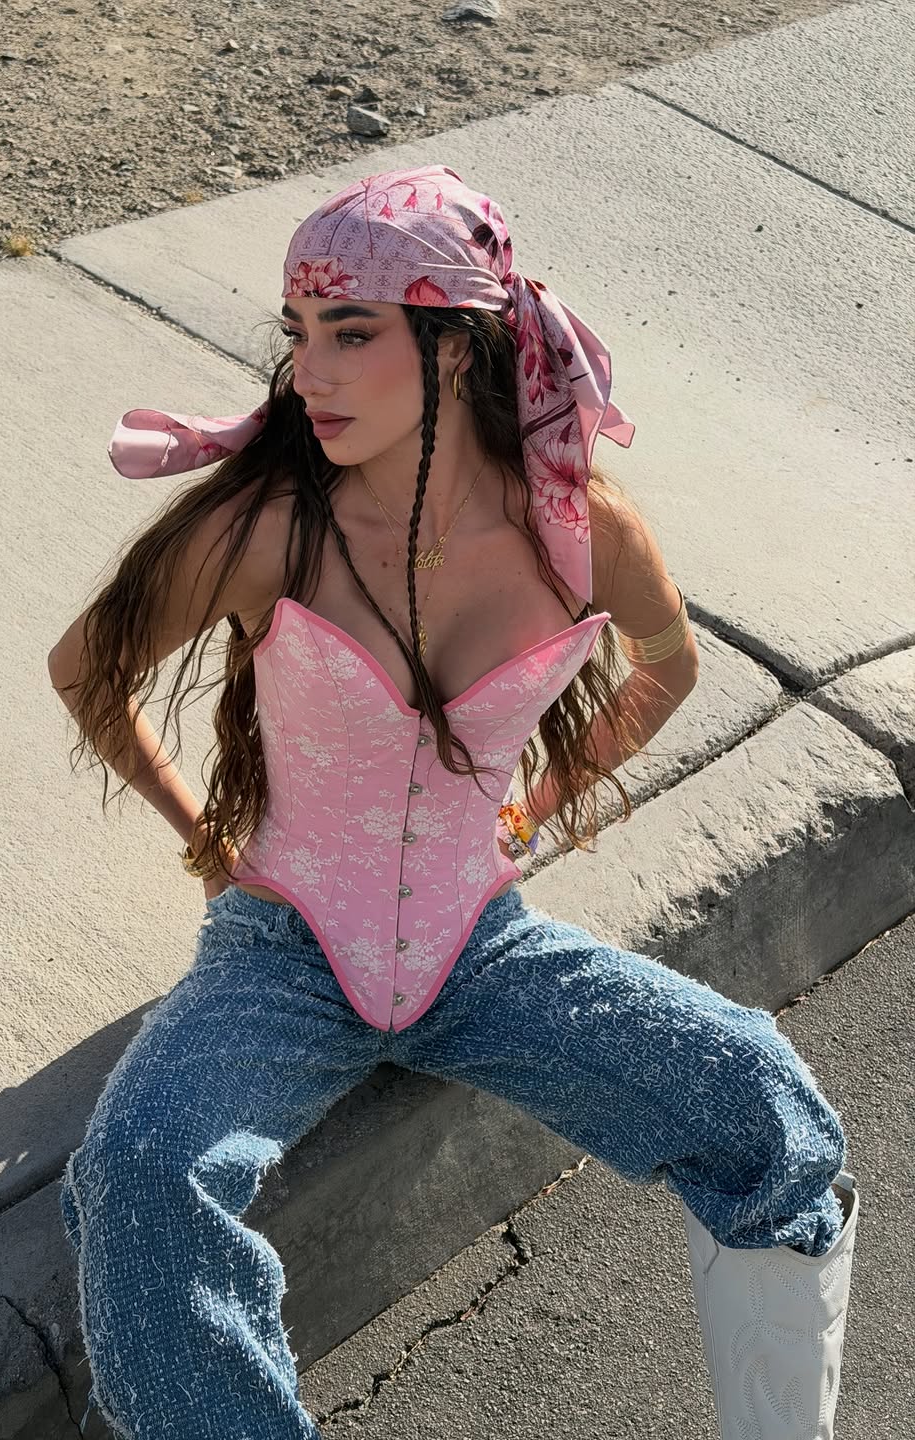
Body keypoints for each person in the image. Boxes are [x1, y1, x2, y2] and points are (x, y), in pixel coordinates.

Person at [49, 164, 859, 1439]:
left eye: (351, 333)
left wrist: (539, 806)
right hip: (283, 949)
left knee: (757, 1094)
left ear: (456, 346)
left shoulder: (580, 530)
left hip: (479, 946)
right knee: (140, 1171)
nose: (309, 373)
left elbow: (668, 666)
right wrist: (202, 832)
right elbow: (85, 669)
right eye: (298, 333)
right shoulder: (262, 528)